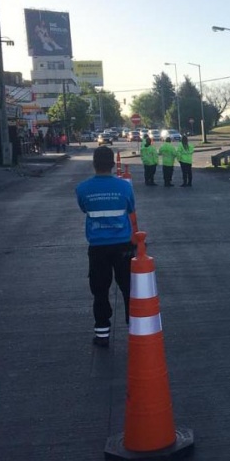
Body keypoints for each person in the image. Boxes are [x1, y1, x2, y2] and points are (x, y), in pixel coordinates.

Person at [75, 146, 136, 347]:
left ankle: (102, 334)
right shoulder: (125, 187)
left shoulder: (82, 189)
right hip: (123, 246)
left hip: (98, 248)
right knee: (129, 289)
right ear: (112, 164)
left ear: (93, 164)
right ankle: (135, 329)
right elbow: (130, 208)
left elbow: (84, 208)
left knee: (100, 291)